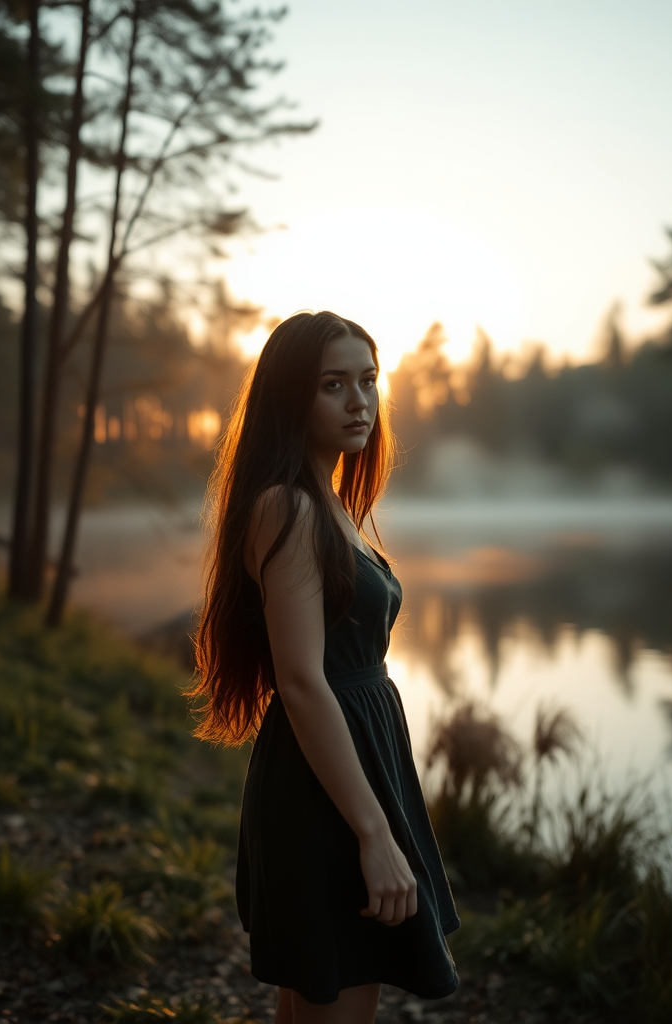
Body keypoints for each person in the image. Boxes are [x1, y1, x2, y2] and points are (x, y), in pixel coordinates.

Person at [189, 311, 459, 1024]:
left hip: (349, 771)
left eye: (368, 381)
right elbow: (303, 681)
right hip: (324, 792)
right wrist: (373, 834)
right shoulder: (289, 509)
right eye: (332, 385)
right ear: (290, 399)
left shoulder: (330, 505)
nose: (359, 401)